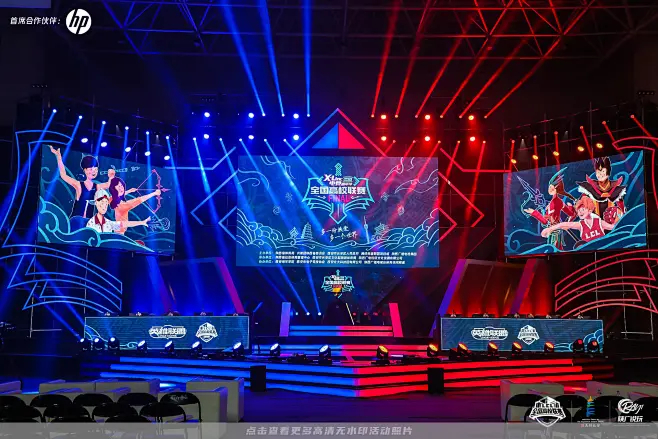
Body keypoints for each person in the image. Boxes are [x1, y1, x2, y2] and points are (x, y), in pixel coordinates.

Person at [48, 146, 115, 227]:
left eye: (95, 169)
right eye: (90, 169)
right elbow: (63, 175)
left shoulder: (97, 186)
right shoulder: (78, 185)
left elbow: (108, 184)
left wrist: (111, 177)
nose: (93, 172)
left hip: (88, 223)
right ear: (85, 170)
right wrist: (59, 157)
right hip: (76, 220)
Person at [524, 170, 576, 250]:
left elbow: (546, 221)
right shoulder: (553, 202)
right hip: (553, 231)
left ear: (556, 189)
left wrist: (534, 213)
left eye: (552, 188)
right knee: (555, 249)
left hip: (555, 232)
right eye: (549, 187)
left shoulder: (556, 202)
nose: (549, 189)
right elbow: (570, 214)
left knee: (555, 249)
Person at [541, 196, 616, 247]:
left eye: (582, 209)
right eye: (578, 210)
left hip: (603, 249)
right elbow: (564, 224)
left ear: (590, 210)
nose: (580, 212)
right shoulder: (581, 225)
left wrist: (618, 217)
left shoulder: (599, 222)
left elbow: (614, 227)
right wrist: (550, 229)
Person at [576, 157, 626, 224]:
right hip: (594, 221)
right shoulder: (590, 187)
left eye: (603, 171)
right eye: (598, 172)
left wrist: (622, 215)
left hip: (610, 219)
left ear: (608, 173)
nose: (600, 174)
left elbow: (620, 204)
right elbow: (581, 202)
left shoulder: (614, 187)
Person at [86, 189, 150, 233]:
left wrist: (142, 222)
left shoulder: (108, 223)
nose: (104, 206)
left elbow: (123, 224)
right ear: (96, 203)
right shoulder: (91, 223)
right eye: (102, 202)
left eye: (106, 203)